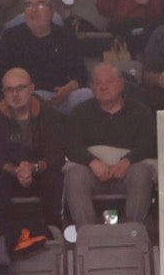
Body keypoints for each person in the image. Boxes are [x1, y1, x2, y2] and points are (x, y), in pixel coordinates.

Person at [63, 63, 158, 226]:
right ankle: (88, 234)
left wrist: (127, 161)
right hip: (92, 172)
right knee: (75, 175)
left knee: (141, 173)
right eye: (98, 83)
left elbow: (149, 144)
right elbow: (71, 145)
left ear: (122, 84)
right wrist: (92, 162)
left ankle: (133, 231)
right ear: (91, 87)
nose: (103, 87)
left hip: (128, 171)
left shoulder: (141, 112)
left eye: (110, 82)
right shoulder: (79, 112)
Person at [0, 67, 66, 253]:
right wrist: (16, 171)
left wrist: (33, 168)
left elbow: (55, 153)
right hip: (10, 173)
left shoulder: (49, 114)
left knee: (55, 177)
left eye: (20, 88)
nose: (15, 94)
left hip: (40, 171)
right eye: (9, 90)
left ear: (31, 88)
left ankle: (51, 233)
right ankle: (3, 238)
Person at [0, 0, 88, 110]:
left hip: (62, 97)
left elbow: (81, 74)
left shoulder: (65, 36)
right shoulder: (11, 37)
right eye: (29, 5)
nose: (34, 10)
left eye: (41, 5)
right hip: (24, 98)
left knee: (85, 95)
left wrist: (68, 89)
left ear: (52, 11)